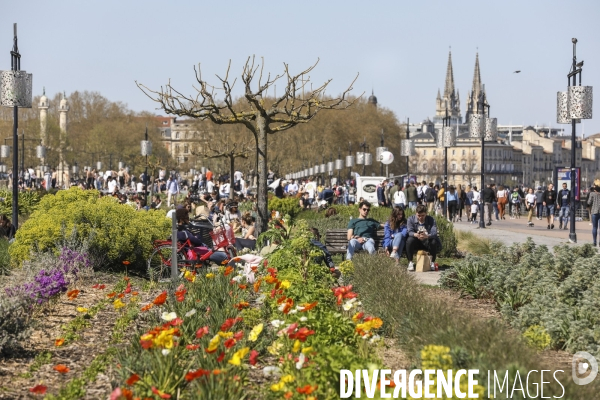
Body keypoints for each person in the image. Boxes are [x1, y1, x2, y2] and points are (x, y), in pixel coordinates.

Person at [406, 205, 441, 271]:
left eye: (423, 215)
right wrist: (416, 234)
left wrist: (427, 236)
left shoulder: (431, 220)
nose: (420, 217)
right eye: (419, 215)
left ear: (426, 214)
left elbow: (434, 232)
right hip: (416, 240)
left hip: (427, 241)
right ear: (416, 213)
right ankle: (410, 262)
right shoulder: (411, 219)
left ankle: (432, 262)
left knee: (433, 241)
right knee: (409, 240)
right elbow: (409, 231)